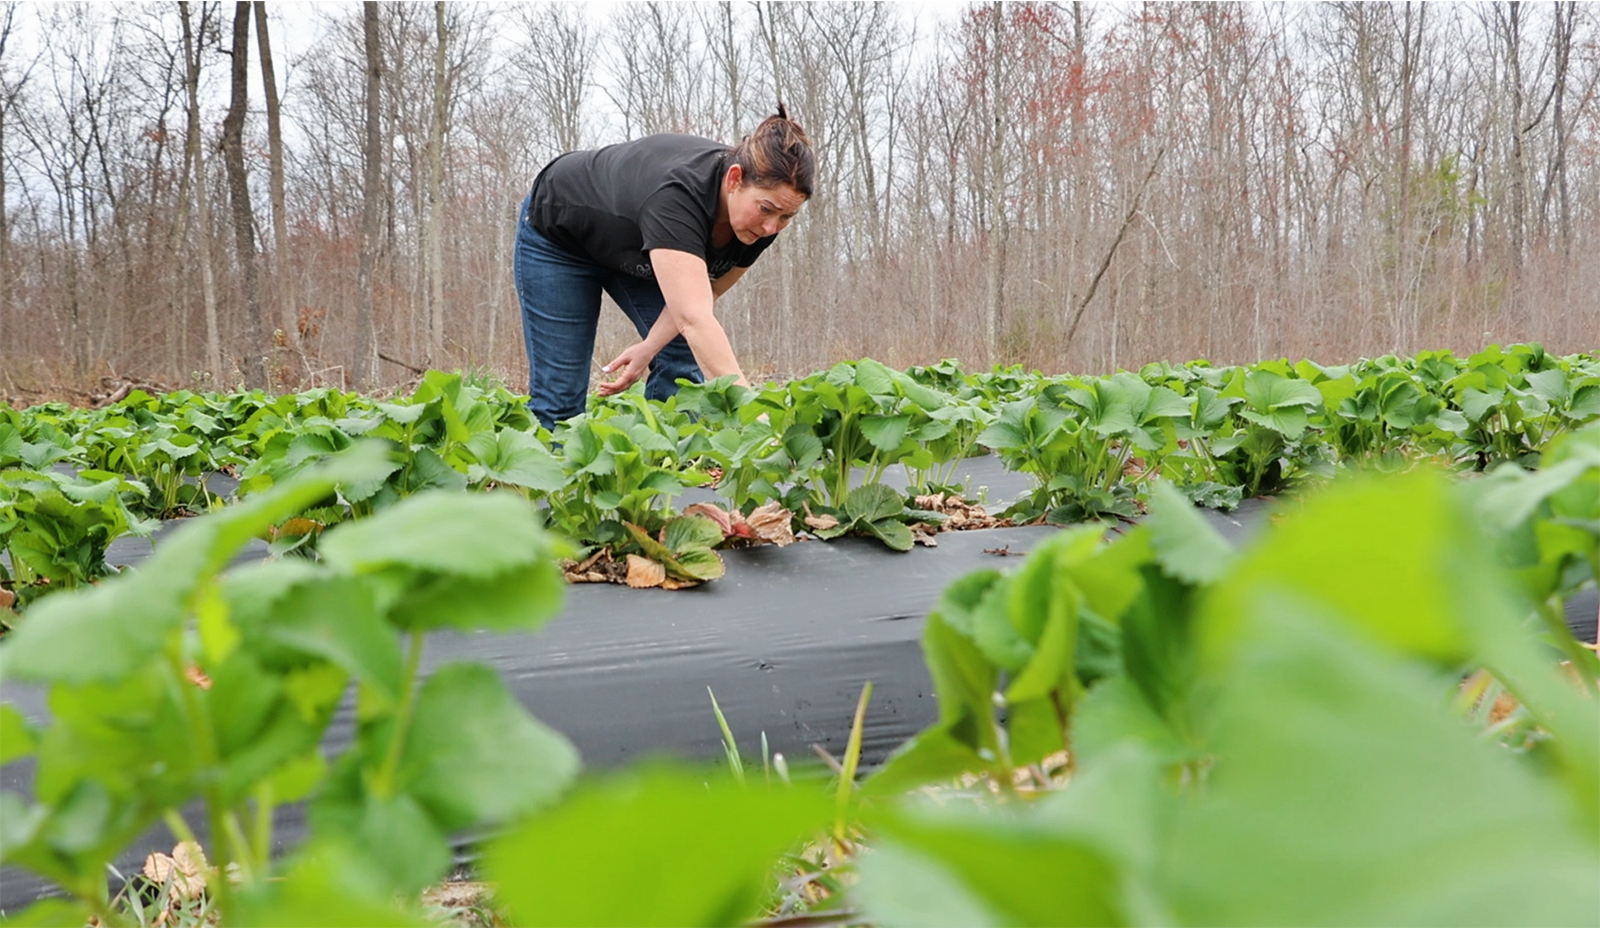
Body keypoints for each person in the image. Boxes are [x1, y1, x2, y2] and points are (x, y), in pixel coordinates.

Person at [513, 106, 815, 430]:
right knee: (560, 399)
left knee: (679, 353)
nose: (772, 227)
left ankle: (668, 461)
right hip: (560, 236)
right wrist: (754, 415)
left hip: (637, 243)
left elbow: (706, 293)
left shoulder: (759, 224)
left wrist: (649, 347)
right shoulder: (678, 197)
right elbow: (693, 319)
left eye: (786, 217)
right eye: (767, 210)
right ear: (735, 179)